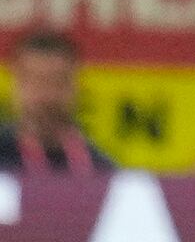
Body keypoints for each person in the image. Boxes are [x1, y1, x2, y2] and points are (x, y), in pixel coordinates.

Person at [0, 30, 112, 173]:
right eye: (35, 82)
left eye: (56, 82)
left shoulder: (101, 172)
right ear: (14, 84)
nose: (45, 96)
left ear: (76, 85)